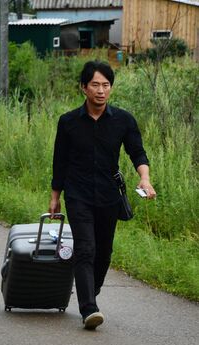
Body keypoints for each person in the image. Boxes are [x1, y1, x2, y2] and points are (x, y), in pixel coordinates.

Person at [49, 61, 156, 330]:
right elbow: (59, 161)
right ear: (83, 87)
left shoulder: (124, 120)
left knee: (104, 253)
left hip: (109, 195)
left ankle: (89, 294)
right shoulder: (68, 122)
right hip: (78, 194)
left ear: (111, 88)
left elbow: (137, 153)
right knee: (86, 248)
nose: (101, 90)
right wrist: (55, 196)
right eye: (95, 85)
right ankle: (89, 309)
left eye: (106, 85)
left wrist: (145, 178)